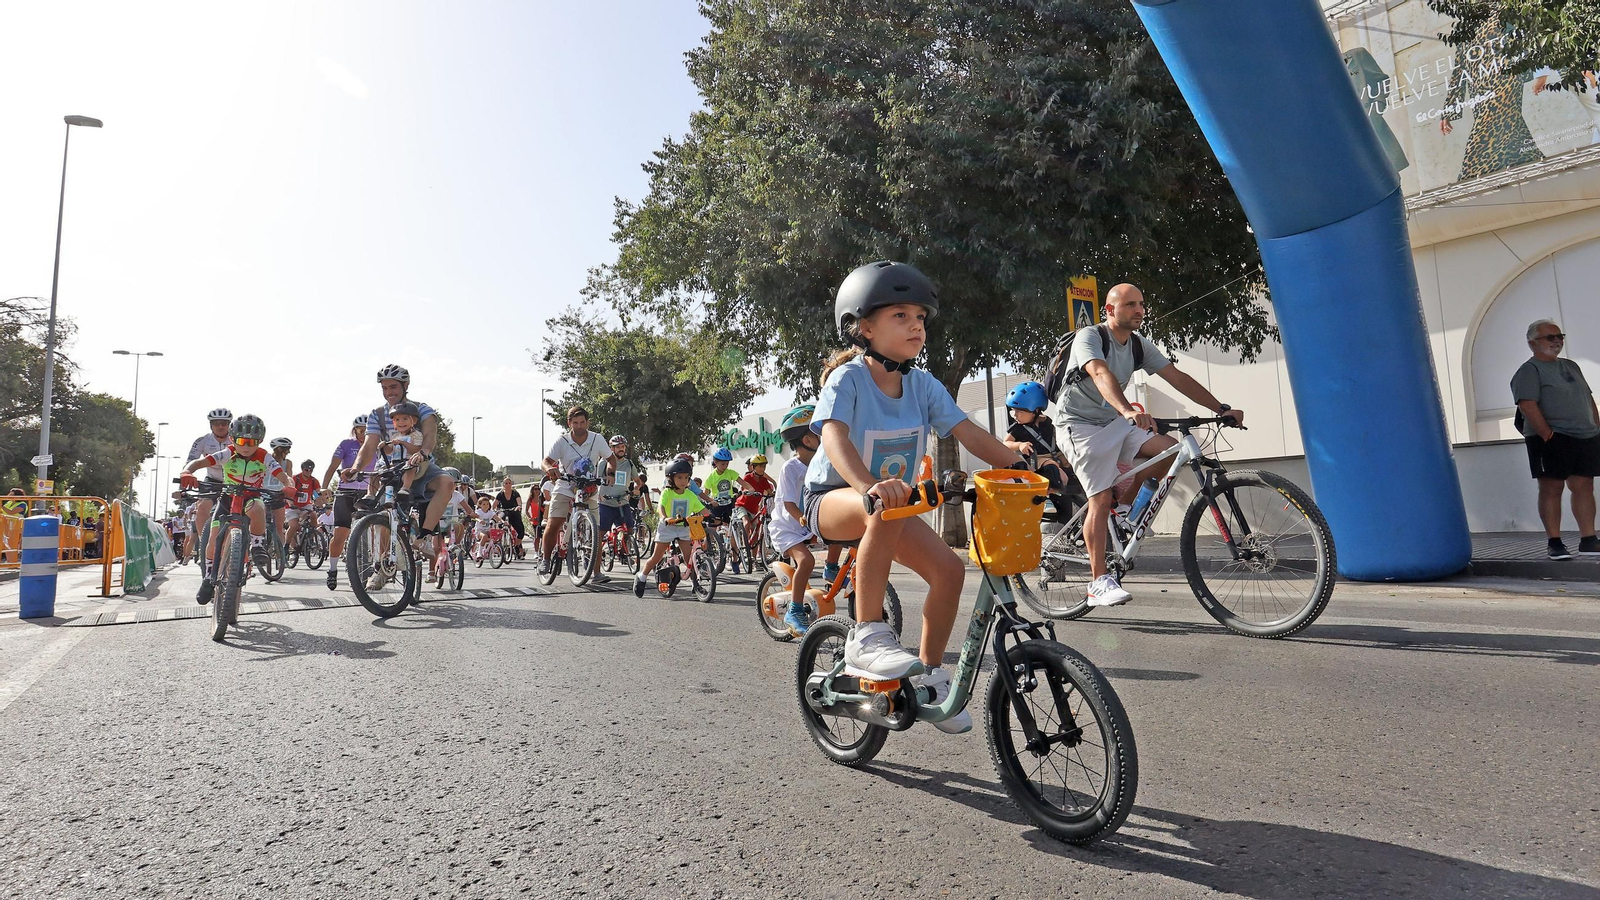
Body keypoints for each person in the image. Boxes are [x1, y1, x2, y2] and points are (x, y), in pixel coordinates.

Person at [806, 260, 1027, 735]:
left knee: (949, 570)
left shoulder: (923, 385)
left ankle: (929, 676)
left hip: (890, 505)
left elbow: (968, 432)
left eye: (921, 318)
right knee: (885, 510)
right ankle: (866, 634)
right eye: (900, 316)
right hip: (833, 499)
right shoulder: (848, 380)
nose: (916, 326)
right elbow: (833, 436)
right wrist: (866, 486)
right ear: (863, 328)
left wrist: (1022, 466)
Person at [1057, 283, 1242, 608]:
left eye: (1141, 304)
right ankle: (1098, 582)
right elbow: (1099, 372)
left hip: (1114, 421)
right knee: (1100, 497)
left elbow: (1177, 377)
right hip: (1079, 425)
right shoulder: (1091, 336)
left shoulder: (1139, 345)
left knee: (1170, 451)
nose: (1139, 310)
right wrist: (1128, 410)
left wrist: (1220, 409)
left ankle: (1124, 509)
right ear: (1110, 310)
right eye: (1130, 304)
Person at [179, 414, 292, 605]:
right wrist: (187, 471)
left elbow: (283, 475)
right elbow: (199, 462)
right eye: (241, 441)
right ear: (232, 439)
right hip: (228, 498)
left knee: (258, 508)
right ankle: (208, 578)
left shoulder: (264, 456)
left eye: (252, 442)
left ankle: (257, 545)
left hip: (251, 497)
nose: (246, 446)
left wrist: (289, 486)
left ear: (260, 441)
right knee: (213, 537)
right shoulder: (227, 453)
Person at [1512, 319, 1599, 559]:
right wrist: (1548, 436)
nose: (1557, 341)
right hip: (1551, 438)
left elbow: (1587, 398)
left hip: (1585, 436)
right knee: (1552, 487)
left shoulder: (1571, 366)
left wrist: (1596, 427)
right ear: (1532, 343)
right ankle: (1555, 543)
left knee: (1584, 485)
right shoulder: (1529, 370)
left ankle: (1589, 540)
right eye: (1550, 337)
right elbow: (1527, 405)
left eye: (1559, 336)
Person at [344, 365, 456, 551]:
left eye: (393, 387)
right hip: (390, 469)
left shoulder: (422, 410)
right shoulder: (377, 414)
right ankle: (380, 564)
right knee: (382, 519)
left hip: (418, 467)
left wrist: (423, 452)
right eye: (384, 388)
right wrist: (355, 468)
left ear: (405, 385)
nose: (389, 392)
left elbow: (429, 437)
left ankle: (424, 536)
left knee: (447, 482)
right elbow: (369, 446)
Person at [540, 406, 614, 583]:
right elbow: (546, 461)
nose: (579, 426)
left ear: (588, 422)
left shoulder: (597, 439)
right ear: (569, 423)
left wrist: (610, 473)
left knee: (595, 530)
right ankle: (545, 560)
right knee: (554, 523)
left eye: (582, 422)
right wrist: (550, 469)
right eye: (575, 423)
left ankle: (596, 573)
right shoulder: (562, 441)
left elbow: (610, 459)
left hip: (589, 488)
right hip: (565, 485)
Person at [770, 406, 821, 635]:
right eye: (820, 434)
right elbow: (789, 503)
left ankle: (831, 568)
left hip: (810, 524)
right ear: (807, 440)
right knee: (806, 561)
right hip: (787, 528)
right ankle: (795, 610)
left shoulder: (821, 463)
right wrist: (803, 518)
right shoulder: (790, 468)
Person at [634, 457, 709, 597]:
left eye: (686, 477)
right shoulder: (667, 493)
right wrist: (665, 518)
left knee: (689, 558)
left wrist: (711, 516)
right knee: (656, 557)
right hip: (667, 527)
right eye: (679, 477)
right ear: (670, 478)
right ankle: (642, 576)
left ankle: (696, 583)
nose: (683, 481)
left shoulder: (690, 495)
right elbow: (661, 507)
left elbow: (702, 509)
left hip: (684, 527)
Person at [321, 415, 376, 590]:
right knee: (340, 533)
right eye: (360, 430)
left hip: (369, 491)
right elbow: (332, 467)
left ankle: (373, 565)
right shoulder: (346, 444)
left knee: (375, 528)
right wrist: (324, 487)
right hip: (346, 491)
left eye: (366, 431)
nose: (363, 434)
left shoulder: (377, 445)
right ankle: (332, 569)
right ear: (354, 431)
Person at [1001, 380, 1077, 507]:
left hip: (1058, 454)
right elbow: (1005, 443)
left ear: (1036, 410)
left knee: (1076, 460)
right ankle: (1052, 490)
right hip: (1039, 458)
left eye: (1020, 412)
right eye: (1013, 411)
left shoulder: (1047, 422)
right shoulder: (1017, 428)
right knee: (1051, 467)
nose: (1015, 415)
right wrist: (1019, 445)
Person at [185, 408, 234, 540]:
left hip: (233, 480)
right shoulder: (203, 441)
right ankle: (203, 543)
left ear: (229, 425)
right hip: (212, 480)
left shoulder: (236, 441)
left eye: (224, 423)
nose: (220, 426)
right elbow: (191, 461)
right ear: (210, 425)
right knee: (203, 507)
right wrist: (187, 475)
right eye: (216, 423)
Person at [598, 435, 642, 556]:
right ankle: (594, 555)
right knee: (601, 532)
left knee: (629, 529)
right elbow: (597, 480)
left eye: (622, 446)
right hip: (606, 503)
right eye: (617, 447)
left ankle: (624, 552)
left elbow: (637, 481)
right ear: (611, 449)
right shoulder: (604, 462)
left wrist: (636, 488)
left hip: (623, 502)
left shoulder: (629, 464)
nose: (621, 449)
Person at [736, 454, 777, 553]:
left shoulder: (764, 480)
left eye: (764, 466)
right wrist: (747, 491)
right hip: (742, 506)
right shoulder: (748, 477)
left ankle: (753, 558)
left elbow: (770, 492)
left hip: (754, 509)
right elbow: (744, 488)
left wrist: (776, 494)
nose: (763, 468)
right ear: (753, 467)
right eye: (760, 466)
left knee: (756, 532)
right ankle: (744, 546)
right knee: (747, 523)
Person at [285, 459, 321, 556]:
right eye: (306, 470)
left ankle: (310, 537)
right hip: (292, 506)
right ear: (302, 469)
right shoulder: (295, 478)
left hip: (305, 505)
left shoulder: (313, 481)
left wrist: (322, 504)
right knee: (294, 525)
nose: (309, 472)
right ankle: (286, 545)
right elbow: (288, 492)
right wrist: (291, 504)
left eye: (311, 470)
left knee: (313, 515)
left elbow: (318, 495)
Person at [494, 477, 526, 555]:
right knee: (500, 522)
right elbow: (494, 505)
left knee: (521, 531)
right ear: (503, 485)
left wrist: (519, 506)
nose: (508, 485)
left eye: (509, 483)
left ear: (511, 484)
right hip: (503, 511)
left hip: (513, 511)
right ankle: (499, 543)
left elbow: (519, 502)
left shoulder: (515, 493)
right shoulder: (500, 494)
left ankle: (517, 545)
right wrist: (492, 510)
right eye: (506, 483)